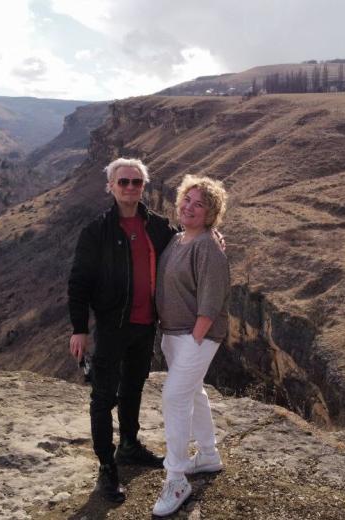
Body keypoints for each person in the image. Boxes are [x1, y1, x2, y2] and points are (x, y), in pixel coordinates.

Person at [68, 157, 177, 503]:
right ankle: (106, 466)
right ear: (111, 187)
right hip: (112, 327)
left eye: (136, 182)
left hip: (146, 326)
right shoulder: (96, 231)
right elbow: (79, 282)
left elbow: (185, 243)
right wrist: (79, 329)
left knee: (133, 387)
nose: (130, 187)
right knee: (103, 397)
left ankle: (129, 445)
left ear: (144, 187)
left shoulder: (158, 226)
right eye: (123, 181)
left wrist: (211, 234)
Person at [153, 175, 230, 517]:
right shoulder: (178, 239)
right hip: (173, 334)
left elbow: (212, 300)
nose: (190, 207)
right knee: (193, 392)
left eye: (200, 204)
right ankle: (209, 456)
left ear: (211, 214)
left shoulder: (208, 246)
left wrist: (196, 339)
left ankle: (176, 478)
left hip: (195, 335)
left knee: (174, 396)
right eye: (187, 199)